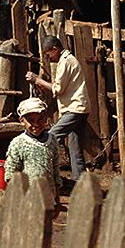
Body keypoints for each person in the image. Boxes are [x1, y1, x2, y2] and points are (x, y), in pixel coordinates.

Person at [26, 35, 89, 181]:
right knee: (75, 149)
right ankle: (80, 182)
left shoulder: (66, 62)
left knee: (51, 137)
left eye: (48, 54)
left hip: (75, 109)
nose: (48, 58)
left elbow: (58, 89)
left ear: (55, 49)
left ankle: (40, 173)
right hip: (76, 108)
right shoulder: (66, 60)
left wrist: (37, 80)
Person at [4, 97, 61, 198]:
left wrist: (57, 196)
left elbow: (55, 169)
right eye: (30, 120)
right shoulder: (18, 143)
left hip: (48, 196)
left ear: (46, 119)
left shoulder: (52, 140)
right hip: (27, 196)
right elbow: (11, 173)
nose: (36, 124)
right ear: (22, 121)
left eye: (40, 119)